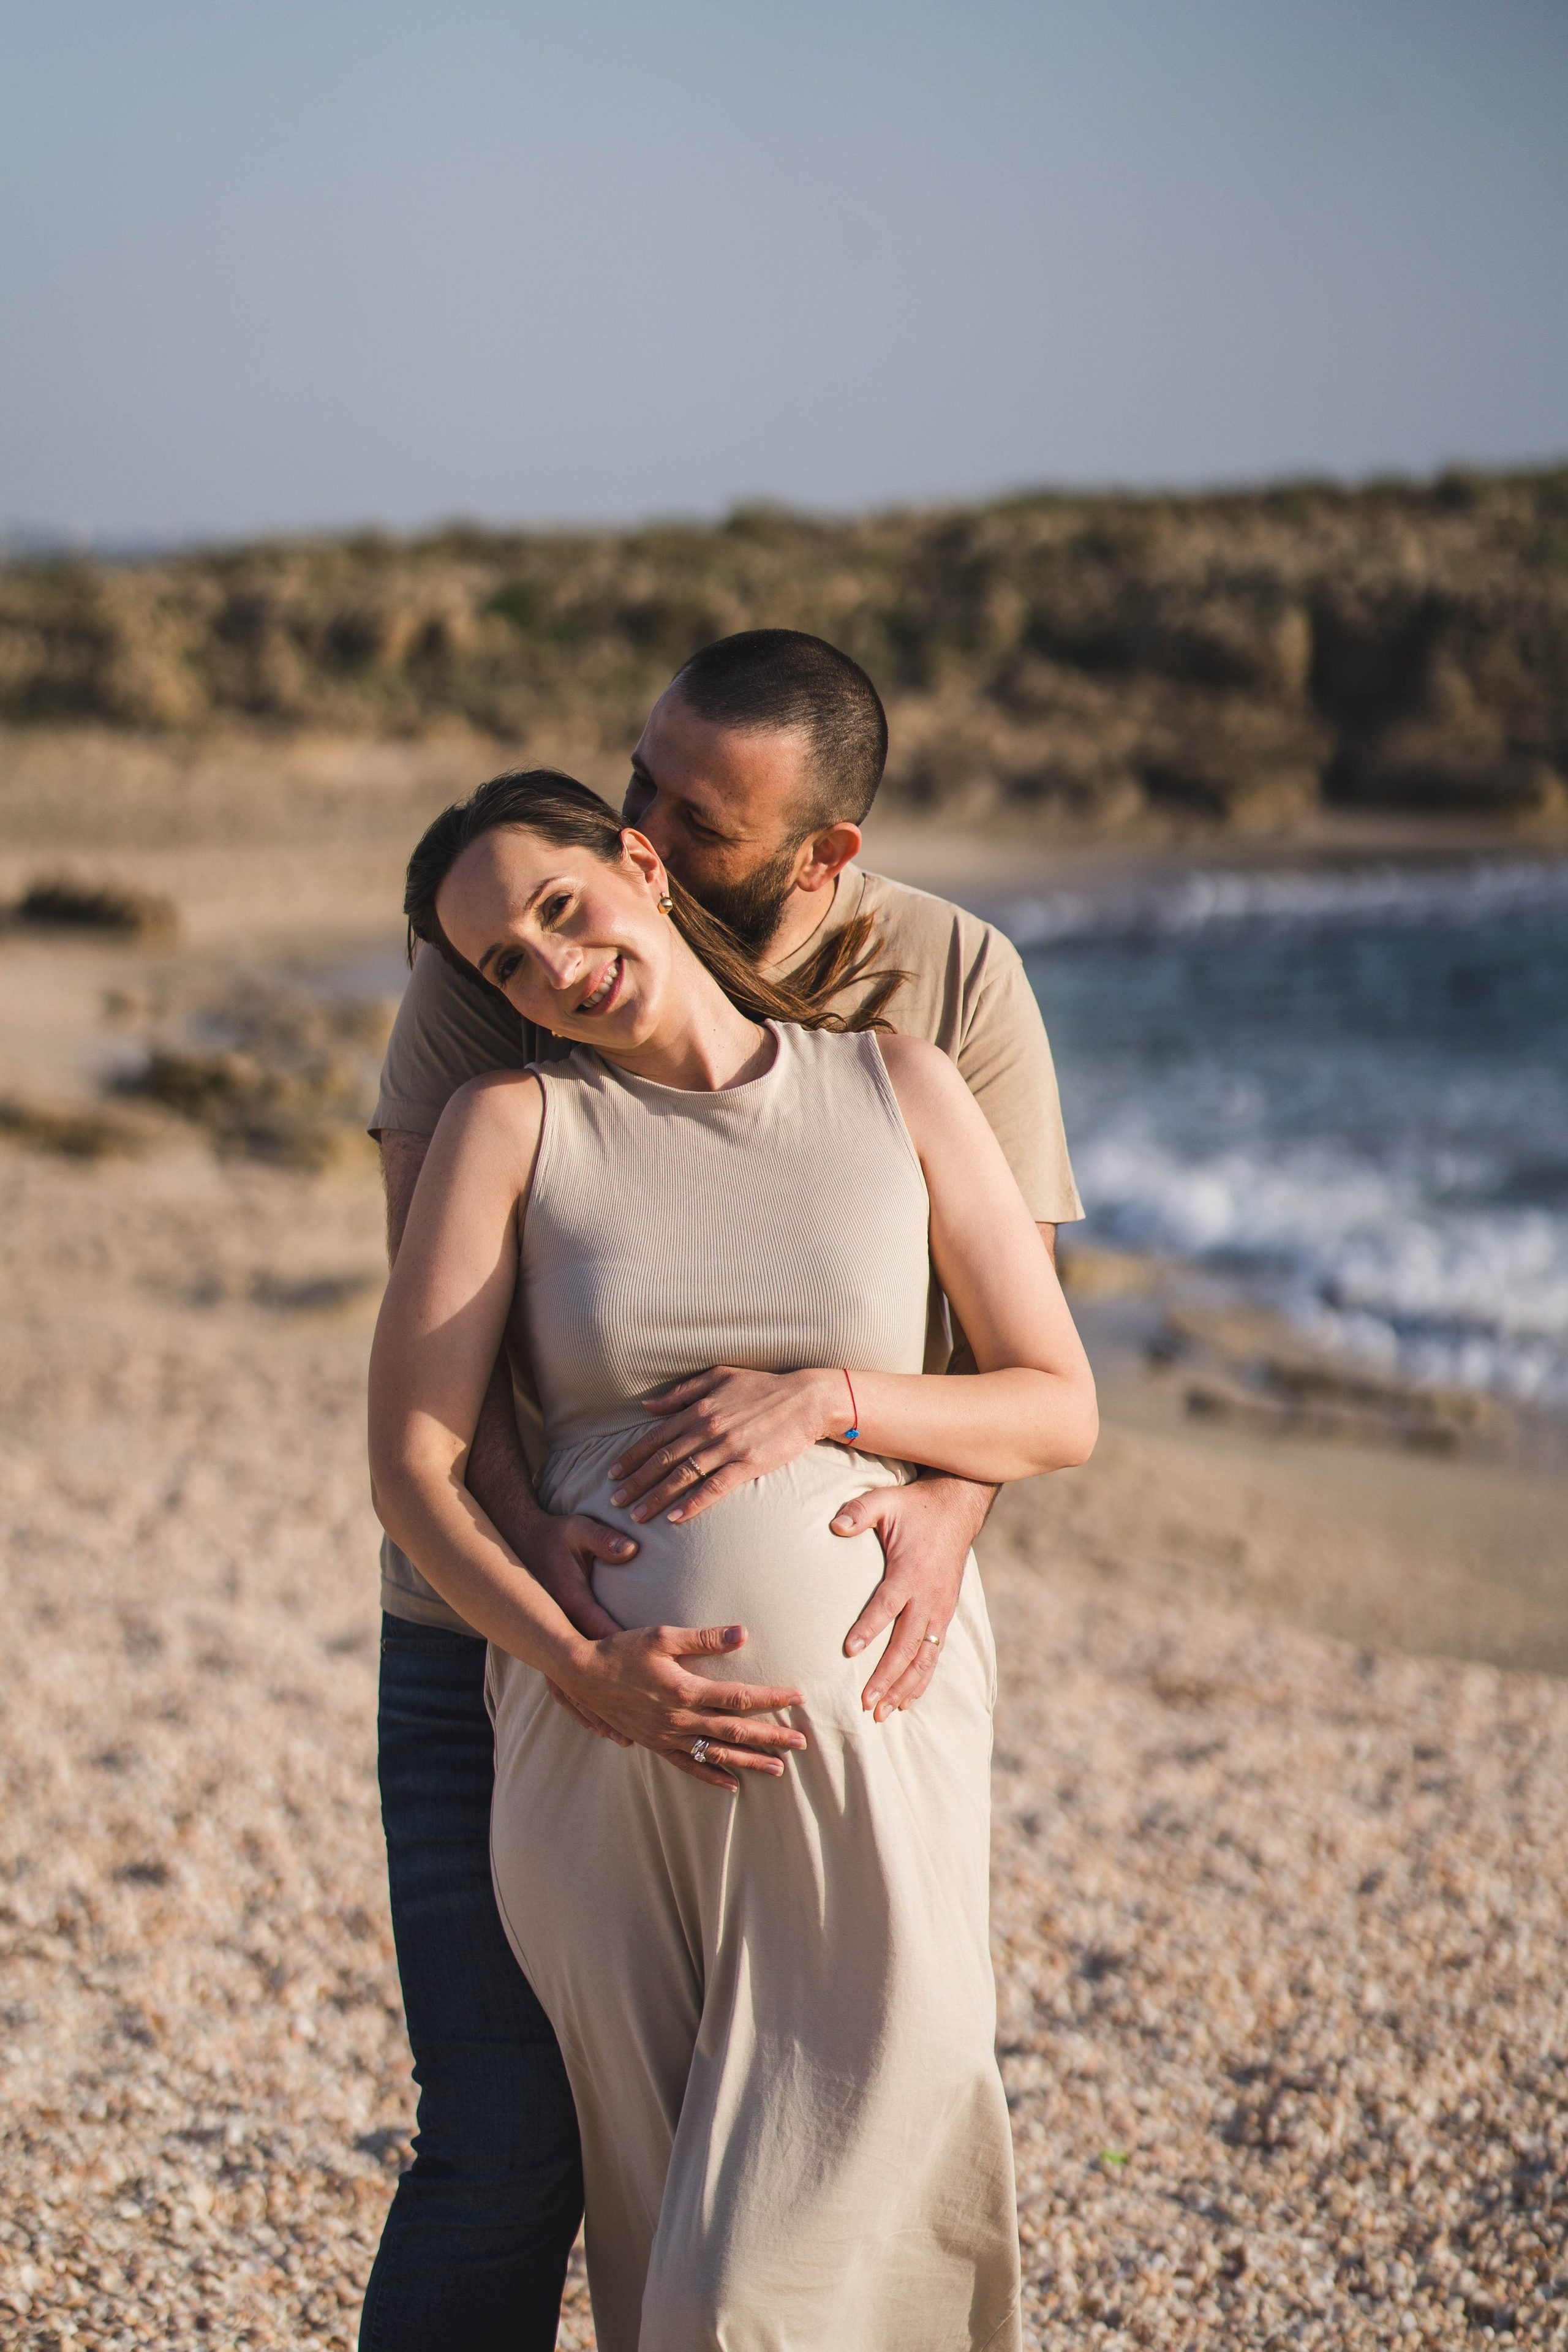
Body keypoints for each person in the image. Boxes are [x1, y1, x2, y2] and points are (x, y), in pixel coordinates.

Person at [361, 632, 1083, 2350]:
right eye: (646, 787)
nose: (552, 962)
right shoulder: (501, 1061)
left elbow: (1038, 1384)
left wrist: (888, 1452)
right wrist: (573, 1648)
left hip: (868, 1731)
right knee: (528, 2169)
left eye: (693, 823)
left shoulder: (929, 1017)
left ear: (818, 852)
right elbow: (429, 1427)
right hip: (566, 1703)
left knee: (809, 2222)